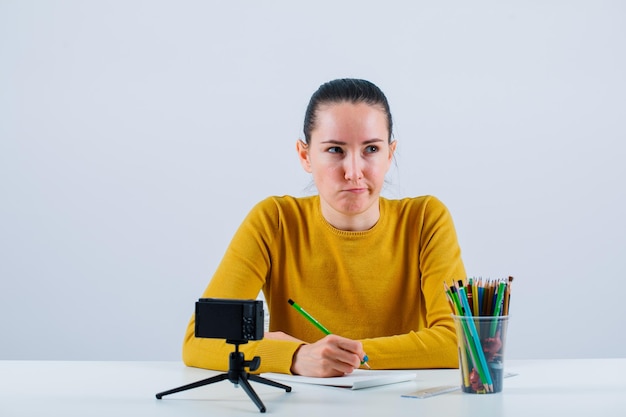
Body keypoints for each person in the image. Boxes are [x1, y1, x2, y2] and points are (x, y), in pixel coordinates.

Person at [182, 78, 466, 377]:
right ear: (305, 155)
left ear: (389, 155)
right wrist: (296, 357)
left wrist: (336, 357)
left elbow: (458, 342)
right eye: (334, 150)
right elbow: (199, 341)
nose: (354, 172)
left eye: (371, 148)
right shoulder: (274, 220)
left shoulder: (425, 219)